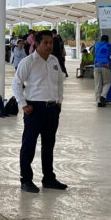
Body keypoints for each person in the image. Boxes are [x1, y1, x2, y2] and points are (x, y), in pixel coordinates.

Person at [11, 30, 67, 193]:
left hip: (52, 108)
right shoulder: (28, 62)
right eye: (45, 43)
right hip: (34, 108)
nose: (49, 46)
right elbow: (16, 83)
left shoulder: (54, 60)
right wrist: (23, 104)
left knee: (49, 144)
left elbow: (59, 83)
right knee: (29, 145)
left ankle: (48, 178)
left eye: (51, 42)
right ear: (36, 43)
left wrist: (59, 102)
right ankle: (26, 180)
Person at [91, 34, 111, 107]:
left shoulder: (96, 44)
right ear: (107, 40)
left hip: (96, 65)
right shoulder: (109, 45)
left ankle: (98, 102)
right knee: (107, 83)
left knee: (98, 84)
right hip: (105, 65)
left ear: (101, 39)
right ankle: (103, 96)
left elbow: (92, 52)